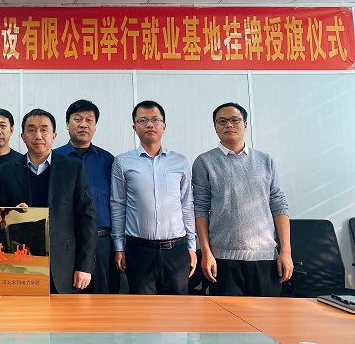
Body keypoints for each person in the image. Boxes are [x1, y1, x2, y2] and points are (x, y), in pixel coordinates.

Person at [192, 102, 293, 297]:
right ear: (215, 127)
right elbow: (200, 209)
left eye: (234, 120)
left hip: (265, 257)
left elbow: (279, 205)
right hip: (222, 258)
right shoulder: (204, 162)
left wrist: (286, 252)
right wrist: (206, 251)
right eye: (222, 121)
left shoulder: (265, 161)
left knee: (267, 315)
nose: (229, 125)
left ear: (245, 124)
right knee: (226, 317)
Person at [0, 108, 97, 294]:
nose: (38, 135)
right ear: (22, 136)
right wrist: (11, 213)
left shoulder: (73, 168)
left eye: (44, 129)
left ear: (54, 135)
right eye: (31, 130)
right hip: (21, 264)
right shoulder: (7, 170)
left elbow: (87, 218)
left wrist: (84, 266)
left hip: (64, 265)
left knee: (65, 313)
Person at [111, 100, 196, 295]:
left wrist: (191, 246)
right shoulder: (122, 162)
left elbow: (187, 205)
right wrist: (119, 247)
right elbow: (118, 205)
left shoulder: (180, 162)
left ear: (164, 126)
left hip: (176, 250)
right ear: (134, 127)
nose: (150, 124)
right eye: (143, 120)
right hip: (139, 250)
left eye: (155, 120)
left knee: (177, 309)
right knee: (142, 310)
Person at [54, 99, 117, 294]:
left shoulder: (108, 160)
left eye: (89, 120)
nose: (83, 124)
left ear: (95, 126)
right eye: (77, 119)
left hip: (102, 242)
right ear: (67, 124)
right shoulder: (54, 159)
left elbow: (118, 202)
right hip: (66, 243)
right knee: (66, 299)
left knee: (104, 299)